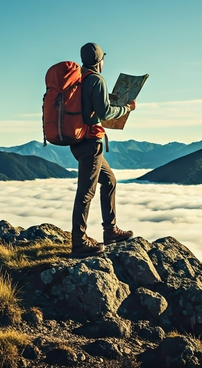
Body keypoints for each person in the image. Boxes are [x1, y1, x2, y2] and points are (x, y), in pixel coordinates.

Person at [70, 42, 136, 257]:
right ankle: (79, 242)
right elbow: (105, 112)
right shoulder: (96, 79)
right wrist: (127, 108)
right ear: (100, 61)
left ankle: (111, 231)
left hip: (79, 141)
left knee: (109, 181)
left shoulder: (77, 79)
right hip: (90, 142)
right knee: (86, 192)